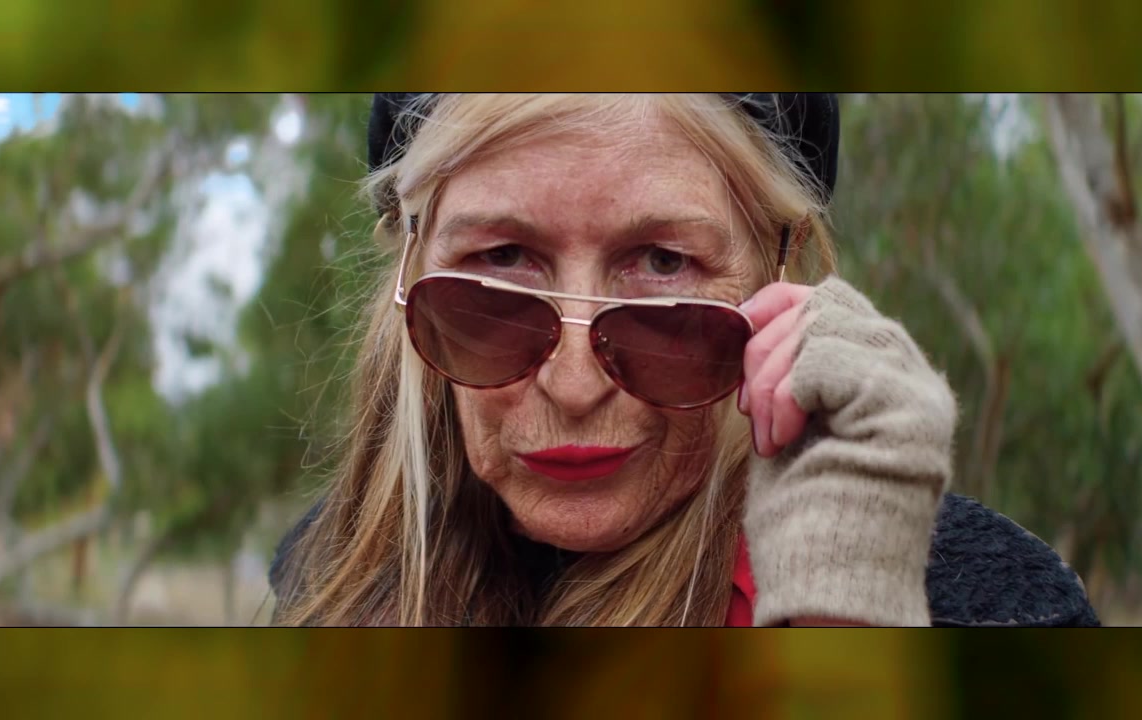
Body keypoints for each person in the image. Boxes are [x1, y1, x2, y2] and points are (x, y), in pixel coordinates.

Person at [269, 93, 1099, 627]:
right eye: (502, 259)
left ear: (780, 268)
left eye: (664, 263)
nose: (574, 386)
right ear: (411, 274)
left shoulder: (989, 606)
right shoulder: (322, 582)